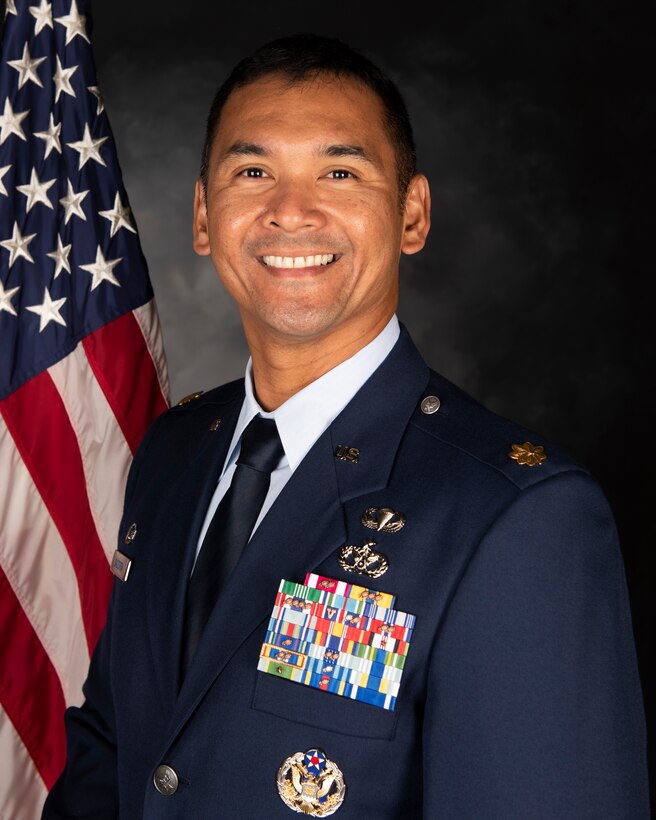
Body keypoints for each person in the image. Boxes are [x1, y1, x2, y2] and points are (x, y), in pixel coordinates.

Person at [43, 33, 649, 819]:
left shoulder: (519, 516)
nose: (290, 210)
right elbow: (116, 750)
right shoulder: (173, 453)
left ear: (413, 214)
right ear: (203, 214)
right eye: (252, 171)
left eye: (340, 171)